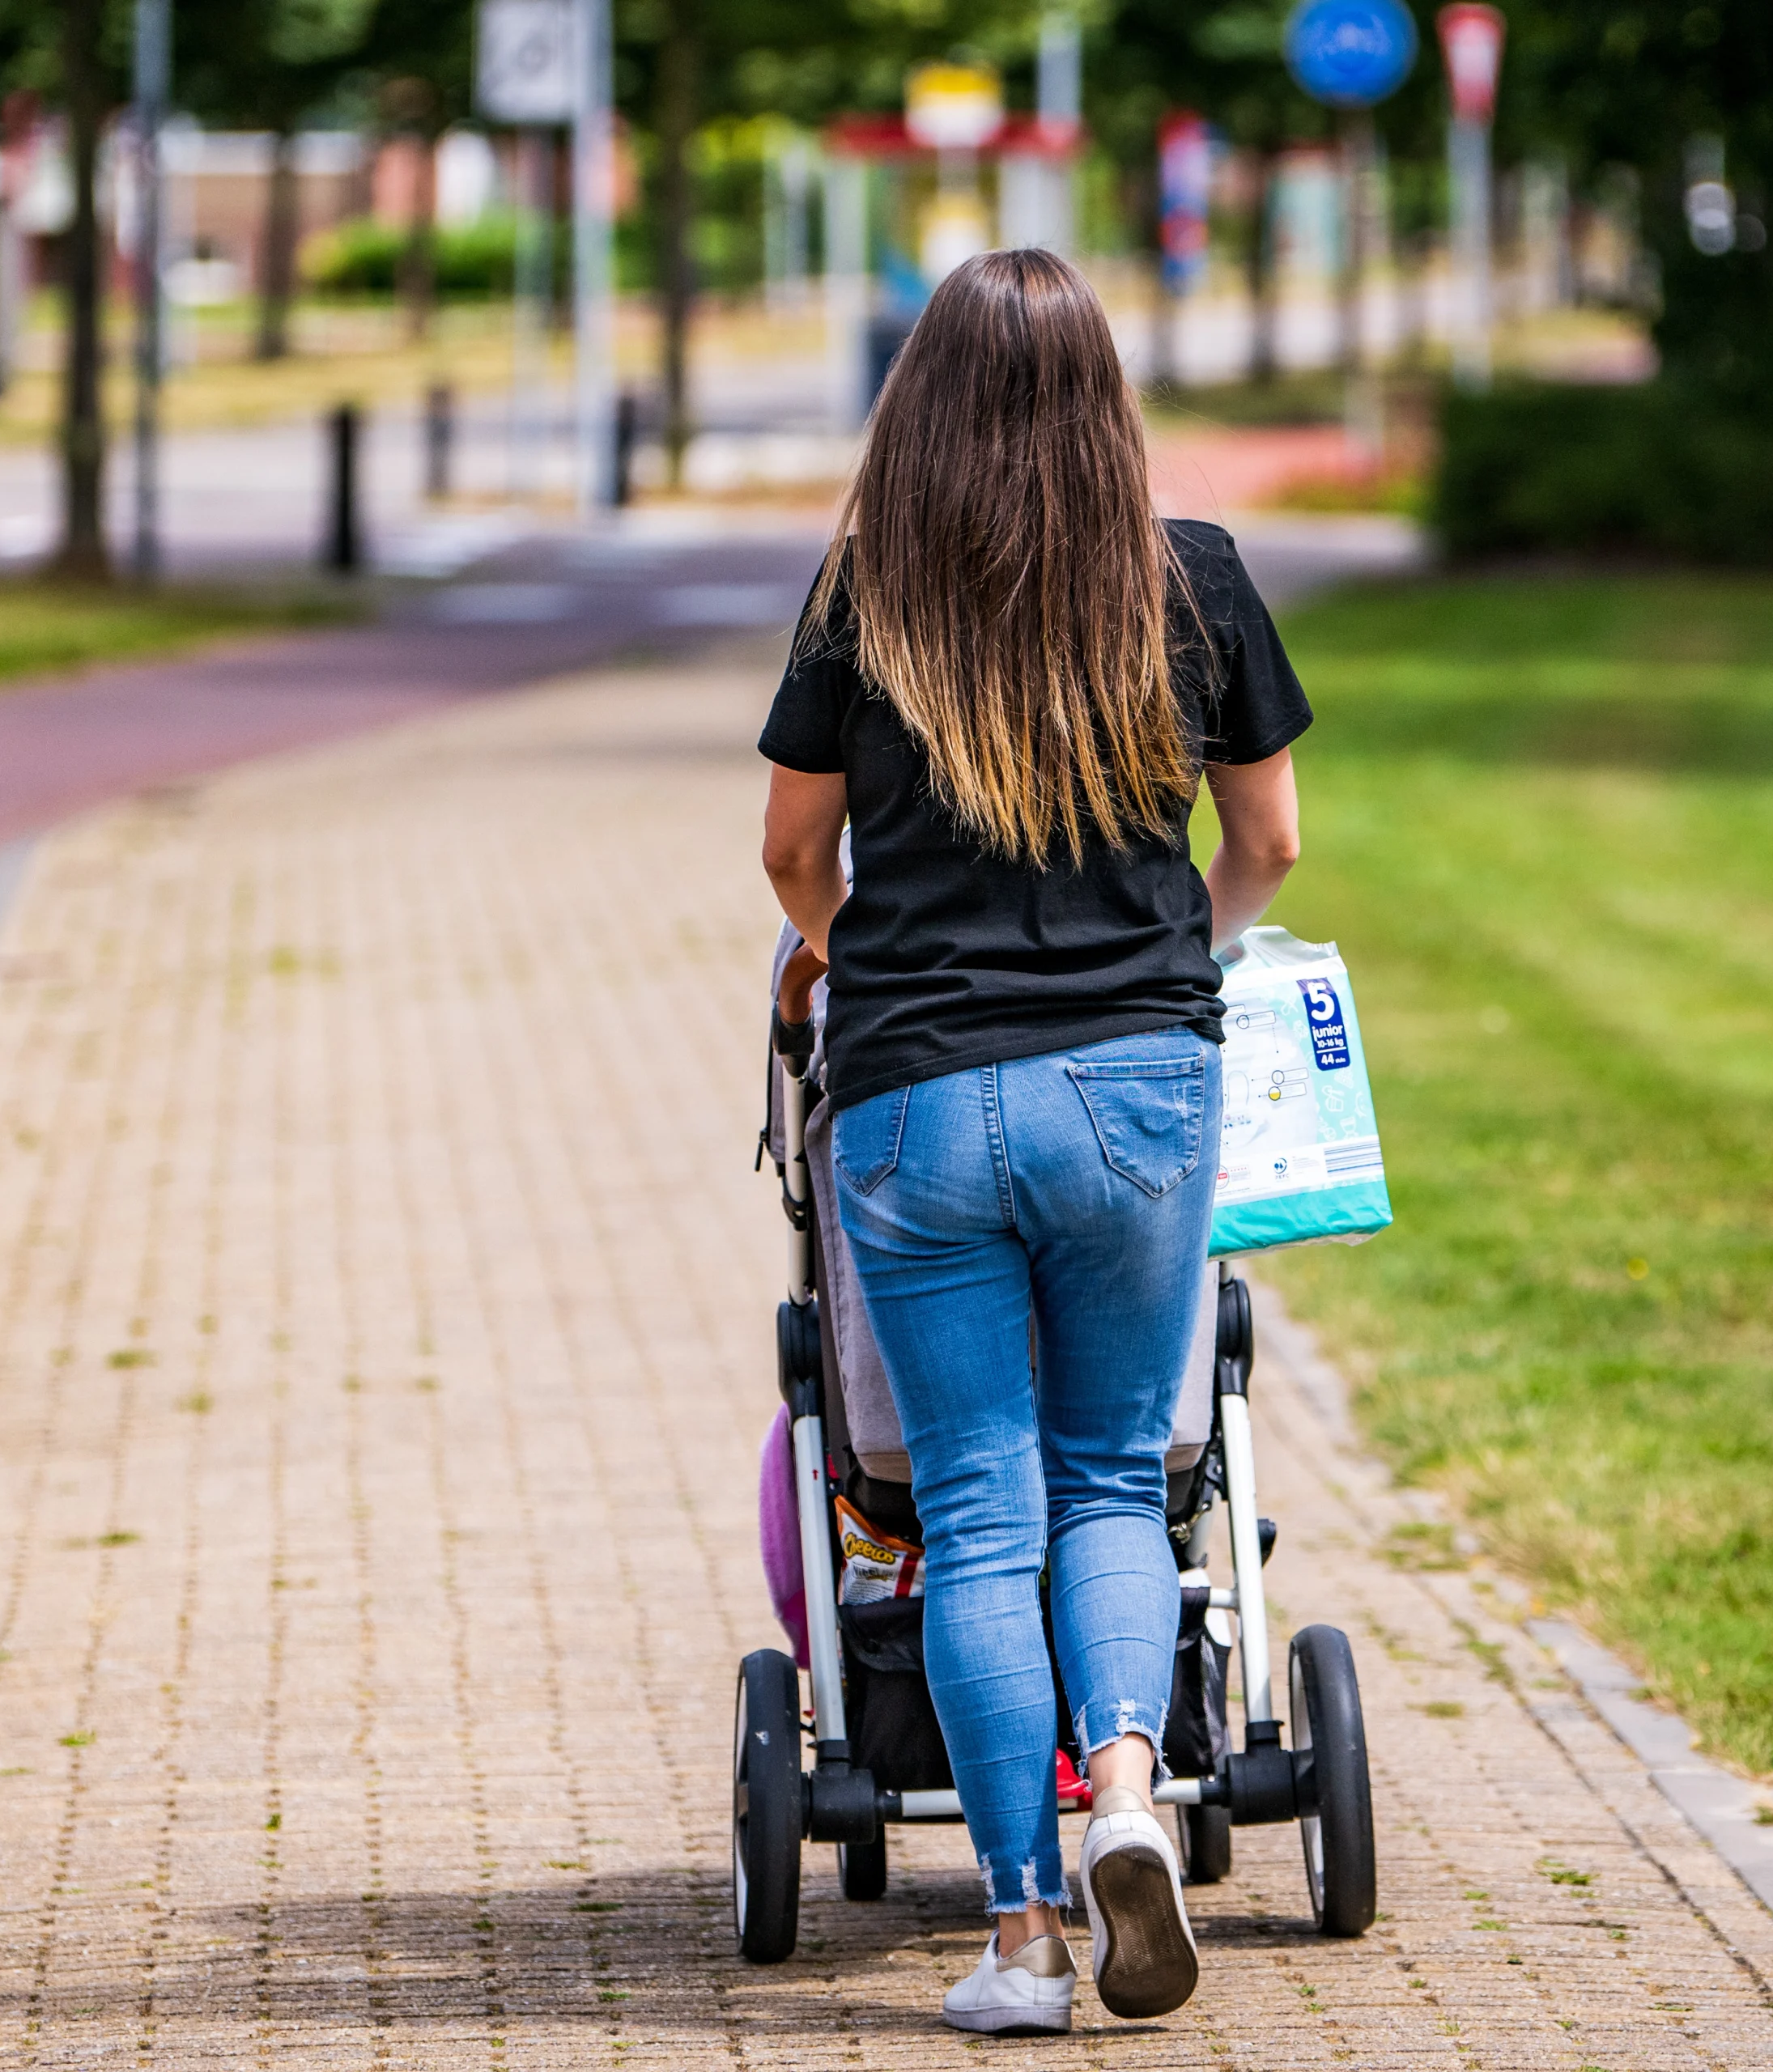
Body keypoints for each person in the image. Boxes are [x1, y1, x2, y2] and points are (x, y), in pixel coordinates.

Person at [757, 248, 1307, 2036]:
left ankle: (1019, 1933)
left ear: (917, 404)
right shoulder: (1192, 580)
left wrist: (866, 960)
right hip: (1138, 1085)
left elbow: (792, 854)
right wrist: (1179, 952)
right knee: (1116, 1481)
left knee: (978, 1508)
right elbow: (1271, 842)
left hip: (919, 1096)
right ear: (1105, 399)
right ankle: (1131, 1787)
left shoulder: (867, 595)